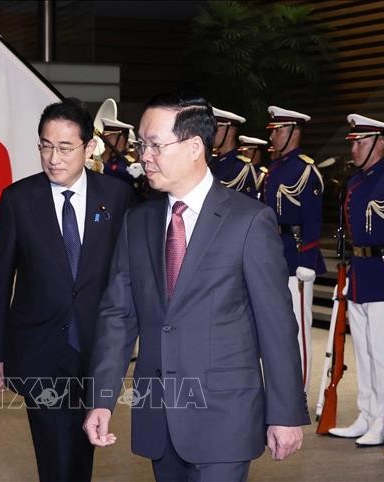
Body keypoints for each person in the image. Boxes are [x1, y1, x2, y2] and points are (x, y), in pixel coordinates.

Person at [83, 92, 309, 482]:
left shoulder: (249, 222)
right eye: (141, 144)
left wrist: (285, 413)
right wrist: (101, 398)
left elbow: (276, 326)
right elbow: (118, 315)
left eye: (154, 145)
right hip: (159, 417)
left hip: (226, 418)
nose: (144, 156)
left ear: (193, 147)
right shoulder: (138, 222)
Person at [0, 98, 134, 482]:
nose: (53, 158)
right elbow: (1, 281)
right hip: (39, 349)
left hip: (95, 348)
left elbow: (125, 274)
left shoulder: (116, 196)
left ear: (89, 147)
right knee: (53, 451)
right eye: (45, 146)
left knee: (84, 446)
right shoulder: (18, 199)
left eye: (65, 147)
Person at [328, 114, 384, 446]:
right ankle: (366, 413)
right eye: (353, 143)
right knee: (362, 351)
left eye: (361, 142)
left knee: (382, 353)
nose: (355, 149)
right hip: (361, 274)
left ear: (379, 143)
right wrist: (349, 273)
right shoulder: (355, 182)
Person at [263, 106, 326, 392]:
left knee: (298, 331)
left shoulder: (305, 169)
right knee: (276, 332)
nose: (273, 137)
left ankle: (297, 394)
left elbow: (313, 219)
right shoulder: (275, 168)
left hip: (296, 256)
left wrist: (308, 260)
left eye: (277, 131)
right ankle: (279, 391)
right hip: (275, 255)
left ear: (292, 132)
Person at [210, 107, 258, 198]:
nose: (211, 132)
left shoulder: (241, 167)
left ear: (230, 131)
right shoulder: (211, 161)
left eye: (215, 127)